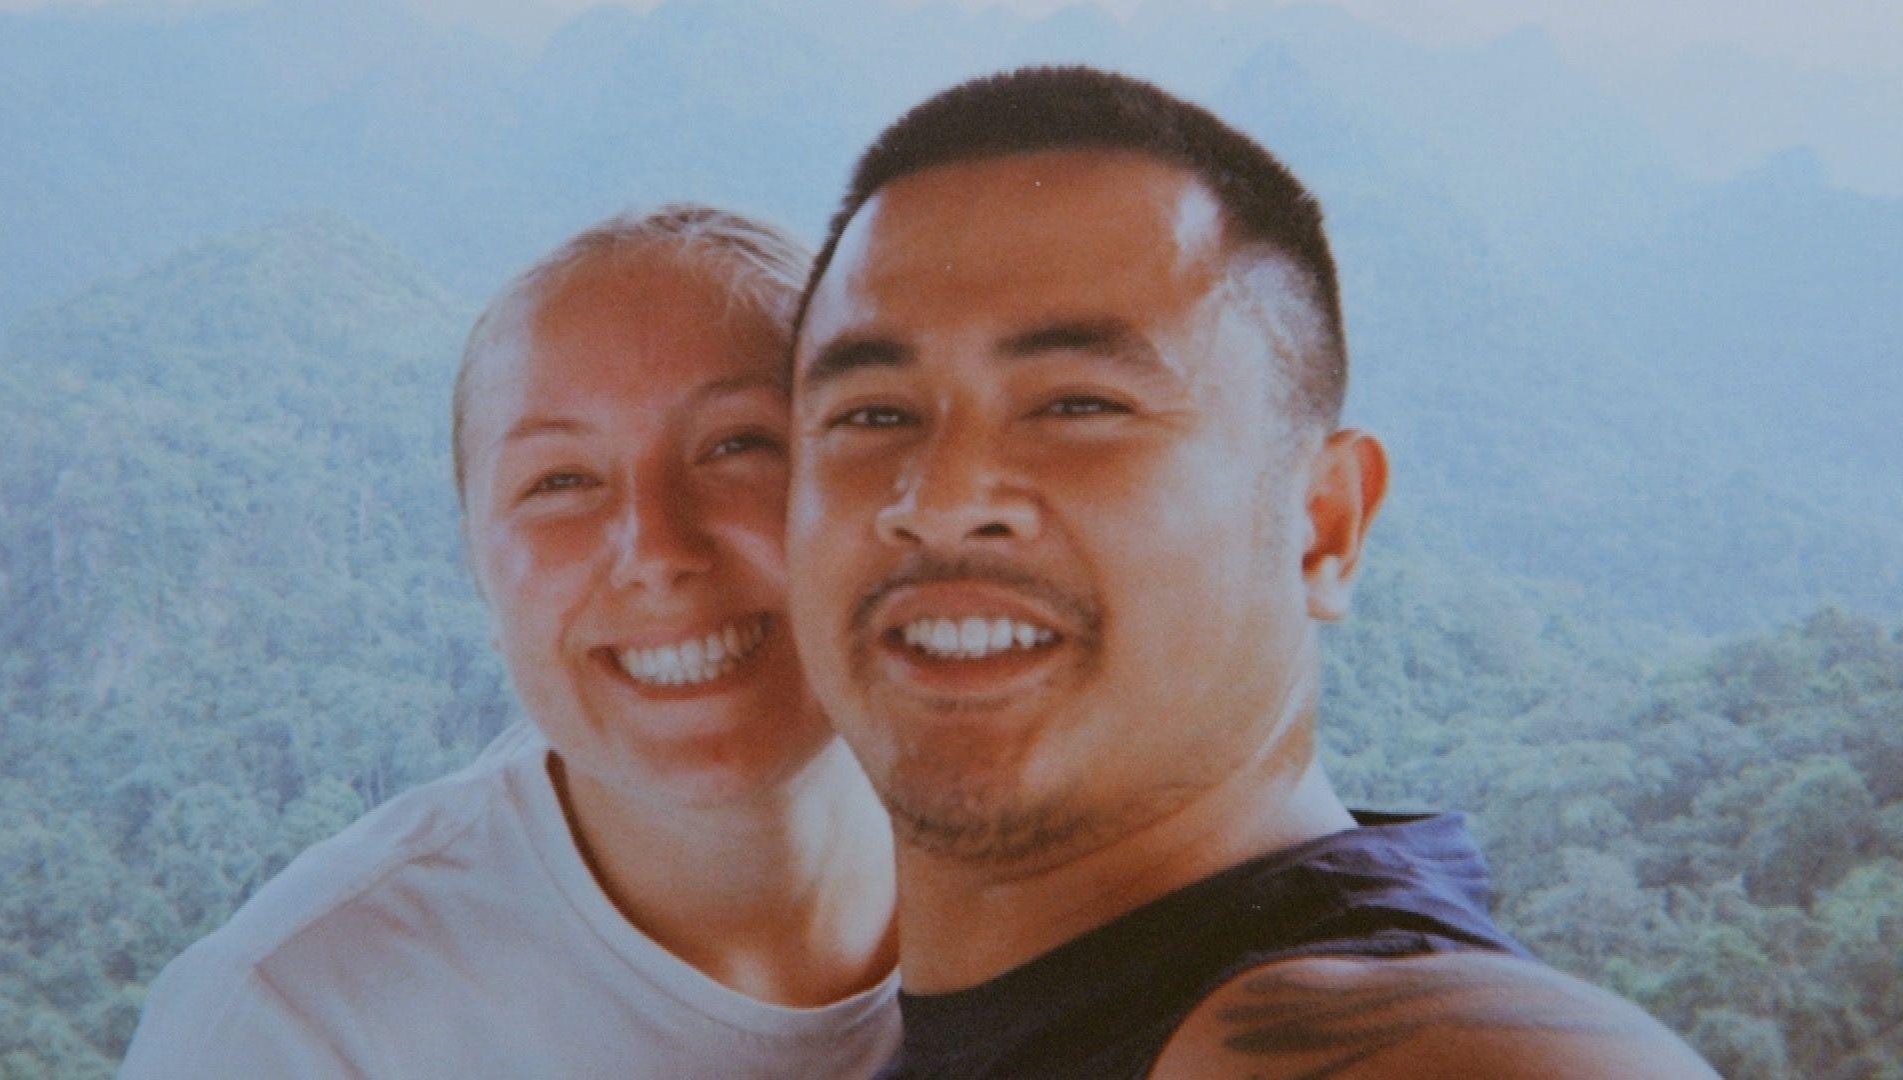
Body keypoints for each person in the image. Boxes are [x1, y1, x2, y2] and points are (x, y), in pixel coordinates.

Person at [784, 67, 1717, 1079]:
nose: (941, 496)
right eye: (871, 414)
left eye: (1078, 405)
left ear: (1325, 526)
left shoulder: (1427, 1050)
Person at [121, 205, 900, 1078]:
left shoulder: (1042, 852)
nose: (657, 552)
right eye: (562, 481)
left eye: (738, 445)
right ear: (478, 573)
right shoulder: (295, 1021)